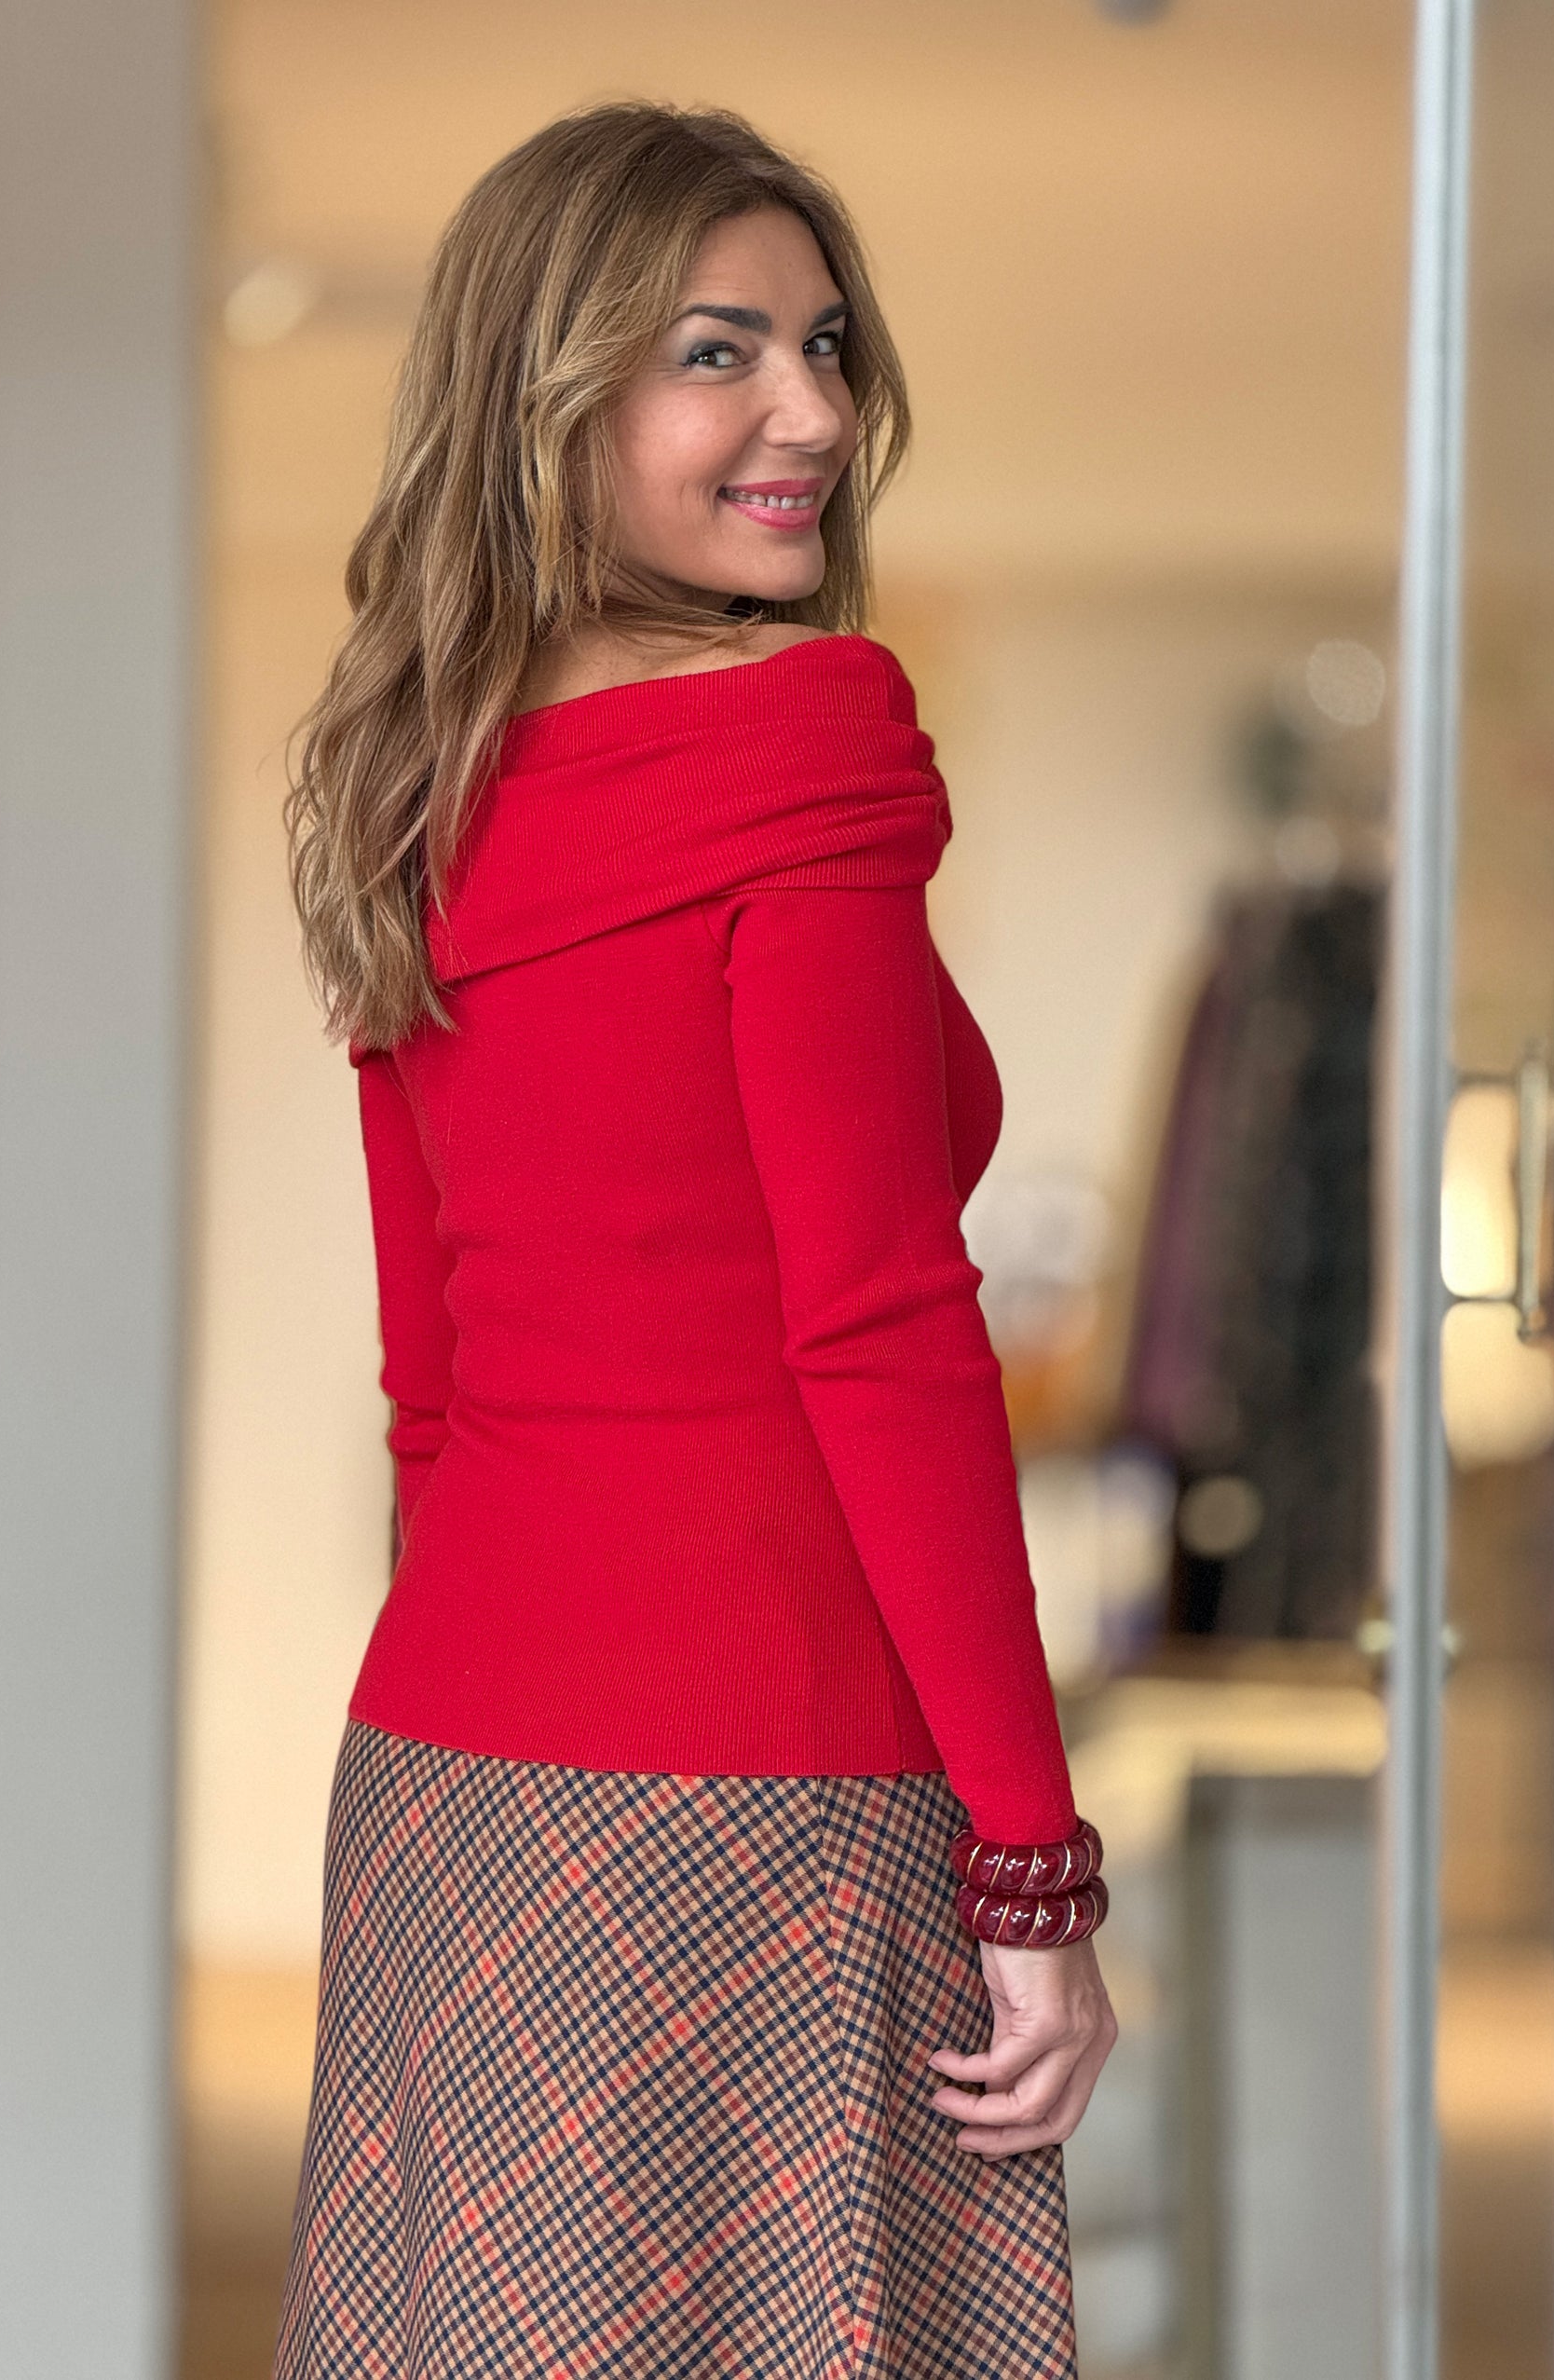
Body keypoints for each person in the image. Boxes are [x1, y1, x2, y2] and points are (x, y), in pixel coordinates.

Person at [275, 100, 1117, 2380]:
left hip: (450, 1778)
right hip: (766, 1779)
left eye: (823, 347)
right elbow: (882, 1327)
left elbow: (433, 1385)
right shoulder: (799, 740)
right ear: (547, 394)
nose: (811, 414)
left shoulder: (416, 784)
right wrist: (1029, 1865)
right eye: (715, 352)